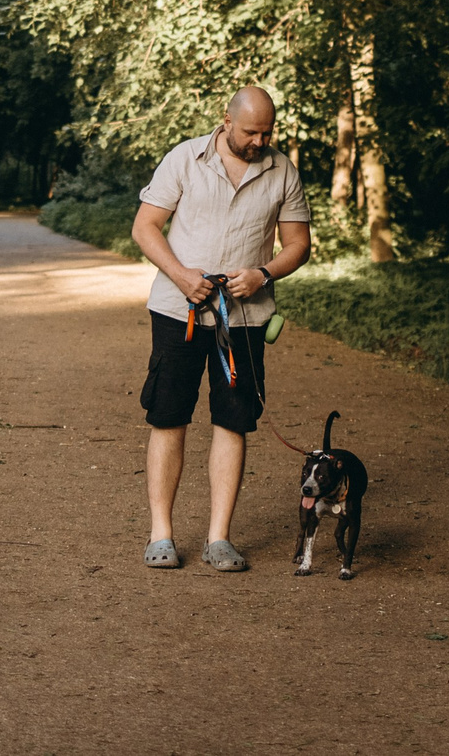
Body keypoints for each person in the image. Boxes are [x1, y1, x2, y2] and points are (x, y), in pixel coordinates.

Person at [131, 85, 313, 572]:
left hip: (247, 317)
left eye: (267, 132)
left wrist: (264, 274)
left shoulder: (283, 172)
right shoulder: (185, 159)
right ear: (226, 121)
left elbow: (298, 243)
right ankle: (161, 534)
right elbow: (145, 226)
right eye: (251, 131)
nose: (260, 141)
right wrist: (181, 275)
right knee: (168, 415)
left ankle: (219, 539)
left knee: (234, 419)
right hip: (179, 310)